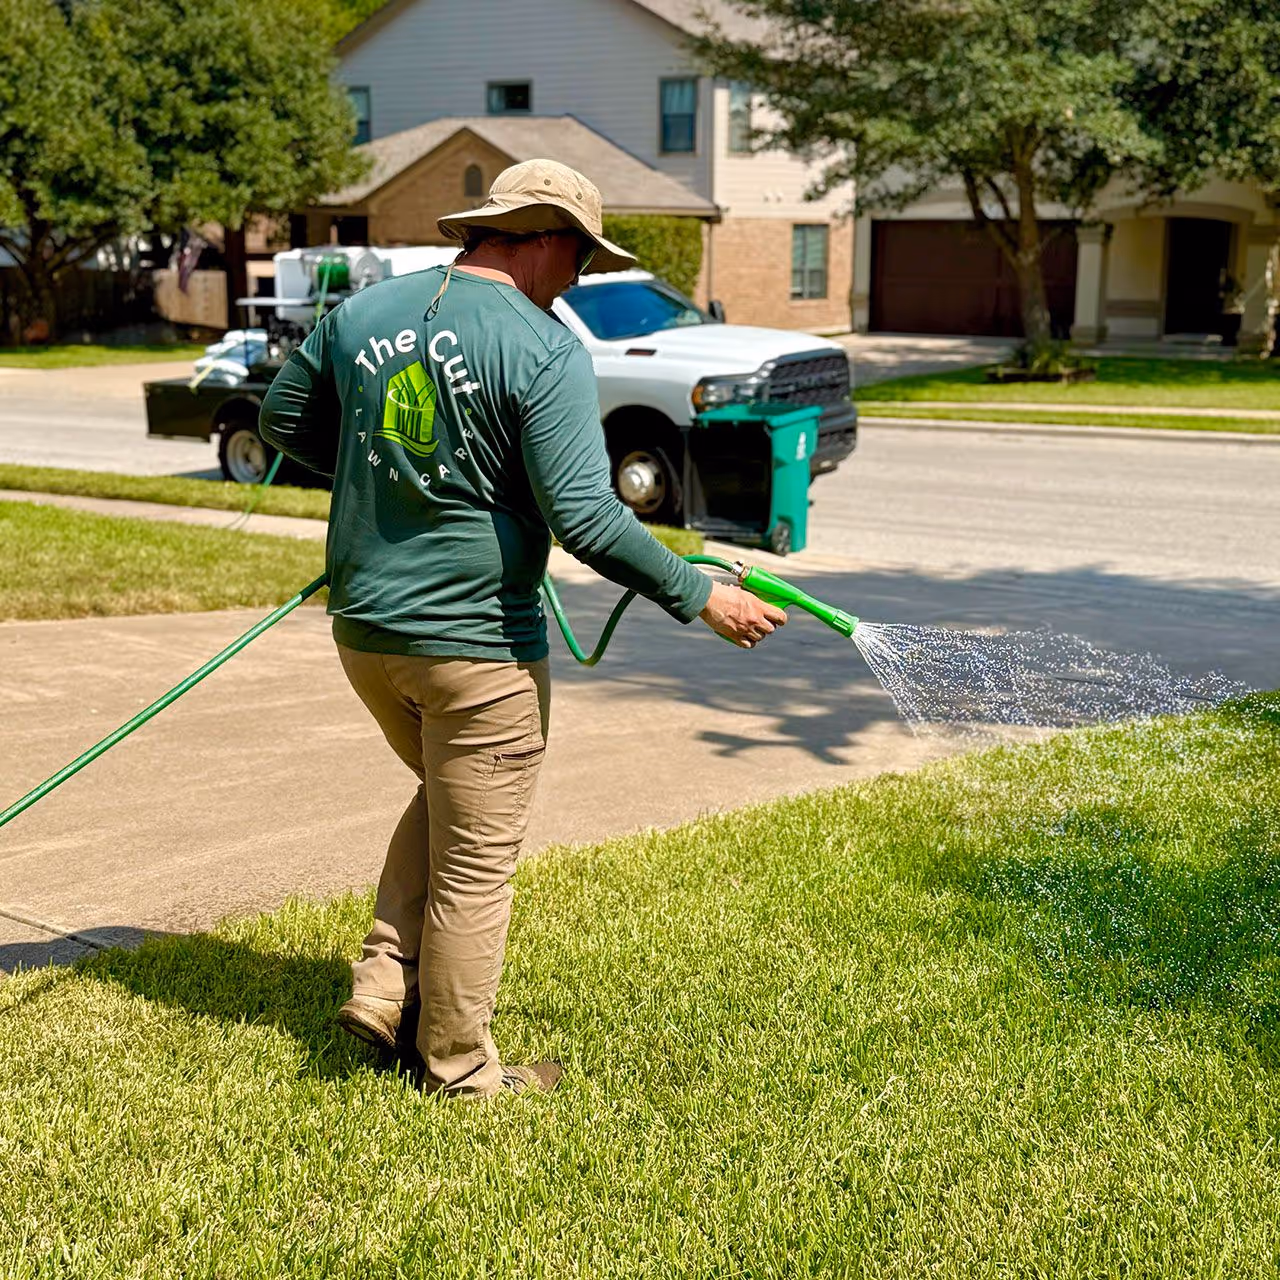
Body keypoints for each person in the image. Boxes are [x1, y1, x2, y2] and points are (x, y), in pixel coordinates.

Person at [259, 158, 785, 1099]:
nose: (579, 278)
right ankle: (458, 1071)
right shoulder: (542, 348)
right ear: (543, 236)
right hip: (476, 646)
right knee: (478, 855)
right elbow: (587, 518)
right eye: (580, 255)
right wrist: (699, 593)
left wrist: (391, 474)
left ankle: (386, 984)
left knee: (452, 799)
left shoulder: (362, 314)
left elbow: (285, 416)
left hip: (367, 634)